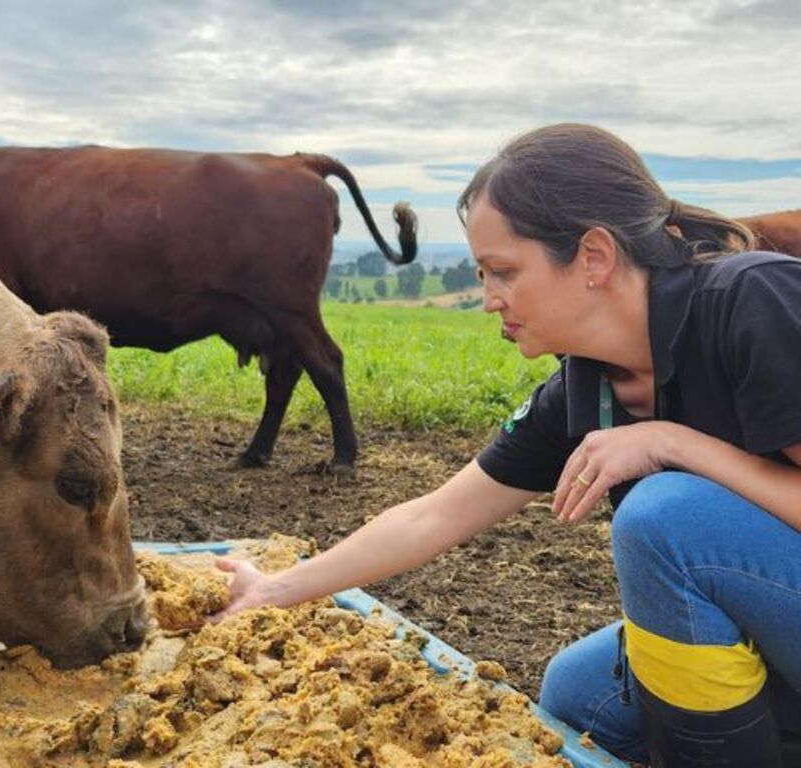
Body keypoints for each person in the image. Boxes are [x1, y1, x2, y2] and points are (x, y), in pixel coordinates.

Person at [212, 124, 801, 767]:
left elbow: (685, 506)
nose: (489, 300)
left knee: (665, 517)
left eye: (503, 272)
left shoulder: (754, 303)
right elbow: (433, 515)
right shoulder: (585, 385)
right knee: (577, 694)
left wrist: (673, 443)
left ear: (594, 258)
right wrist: (272, 590)